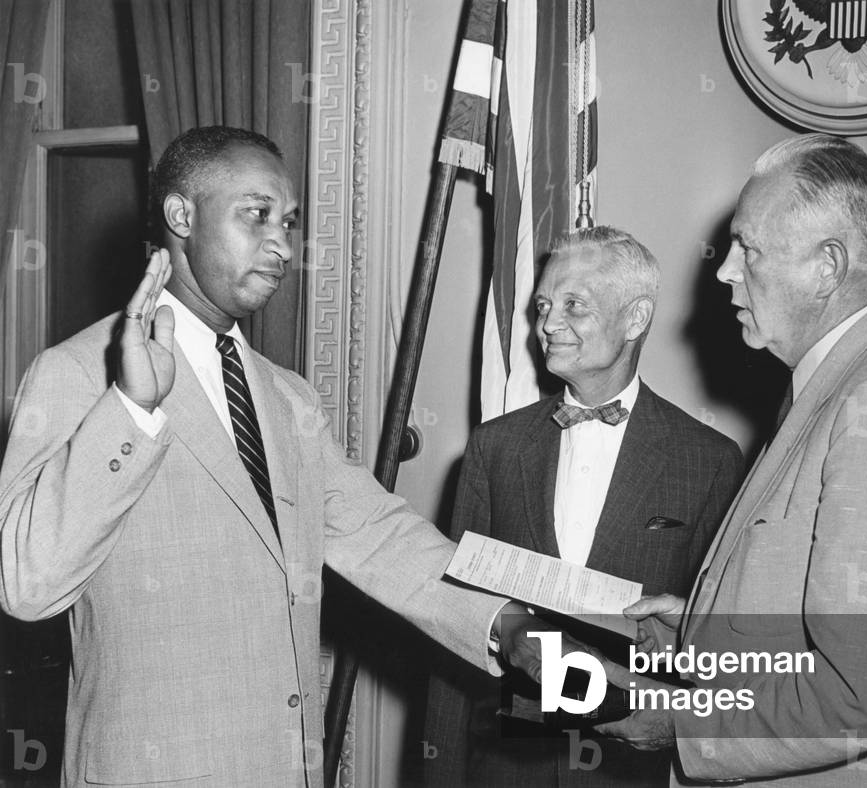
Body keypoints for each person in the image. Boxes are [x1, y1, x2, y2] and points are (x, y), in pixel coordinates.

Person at [0, 126, 552, 787]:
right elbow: (27, 585)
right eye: (256, 214)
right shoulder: (75, 372)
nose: (283, 246)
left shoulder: (287, 396)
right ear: (181, 216)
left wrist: (507, 623)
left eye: (288, 222)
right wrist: (131, 409)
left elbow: (379, 536)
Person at [597, 134, 867, 787]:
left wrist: (675, 722)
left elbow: (864, 697)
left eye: (748, 248)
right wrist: (701, 628)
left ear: (827, 267)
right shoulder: (843, 381)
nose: (724, 271)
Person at [423, 226, 745, 787]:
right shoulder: (495, 448)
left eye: (574, 305)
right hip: (504, 765)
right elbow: (457, 616)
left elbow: (724, 642)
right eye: (544, 306)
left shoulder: (708, 460)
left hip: (631, 769)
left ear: (635, 318)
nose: (548, 324)